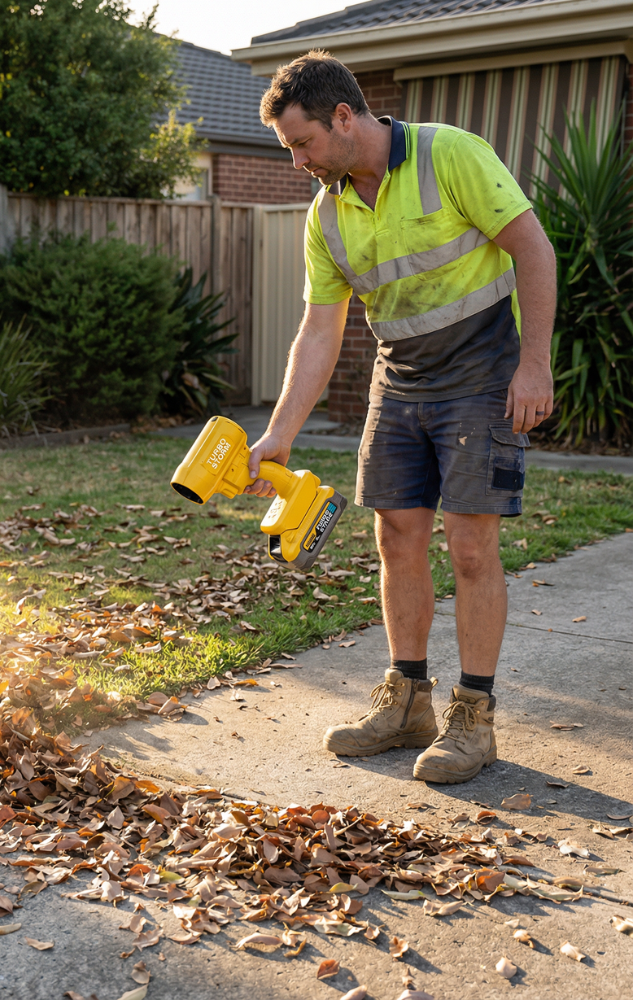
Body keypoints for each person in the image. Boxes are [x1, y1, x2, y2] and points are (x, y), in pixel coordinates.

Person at [245, 50, 556, 784]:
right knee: (395, 538)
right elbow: (319, 330)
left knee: (471, 549)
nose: (297, 162)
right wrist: (280, 434)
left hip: (482, 374)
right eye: (289, 148)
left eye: (302, 143)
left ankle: (473, 717)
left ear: (343, 117)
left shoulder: (450, 156)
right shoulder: (327, 213)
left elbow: (533, 249)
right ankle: (408, 699)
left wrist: (535, 364)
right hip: (400, 378)